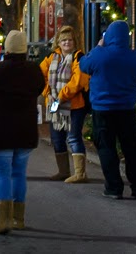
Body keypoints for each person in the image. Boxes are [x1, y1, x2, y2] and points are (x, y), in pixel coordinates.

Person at [0, 30, 46, 235]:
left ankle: (3, 219)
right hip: (25, 129)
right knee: (19, 173)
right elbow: (39, 88)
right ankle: (18, 218)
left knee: (1, 172)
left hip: (1, 130)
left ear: (6, 49)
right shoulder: (33, 70)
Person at [78, 20, 136, 200]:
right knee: (131, 148)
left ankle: (114, 187)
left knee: (106, 147)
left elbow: (83, 65)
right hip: (127, 109)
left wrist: (98, 46)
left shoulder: (100, 55)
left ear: (108, 35)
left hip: (103, 108)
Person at [39, 26, 91, 183]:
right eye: (63, 40)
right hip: (54, 105)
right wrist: (47, 92)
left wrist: (61, 96)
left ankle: (80, 174)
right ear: (58, 42)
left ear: (74, 41)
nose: (67, 42)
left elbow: (78, 82)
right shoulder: (51, 57)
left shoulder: (79, 57)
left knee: (73, 137)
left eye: (70, 40)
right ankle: (63, 171)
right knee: (57, 138)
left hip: (74, 106)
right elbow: (41, 75)